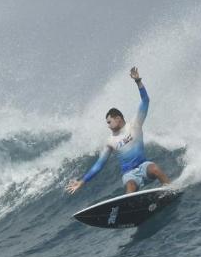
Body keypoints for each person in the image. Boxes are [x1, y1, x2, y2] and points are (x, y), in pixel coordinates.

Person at [66, 66, 171, 195]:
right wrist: (82, 181)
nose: (108, 126)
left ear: (118, 118)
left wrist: (138, 81)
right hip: (129, 174)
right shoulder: (110, 141)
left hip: (144, 166)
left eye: (109, 122)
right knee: (130, 187)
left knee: (155, 168)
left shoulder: (135, 124)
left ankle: (170, 190)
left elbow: (145, 100)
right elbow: (99, 164)